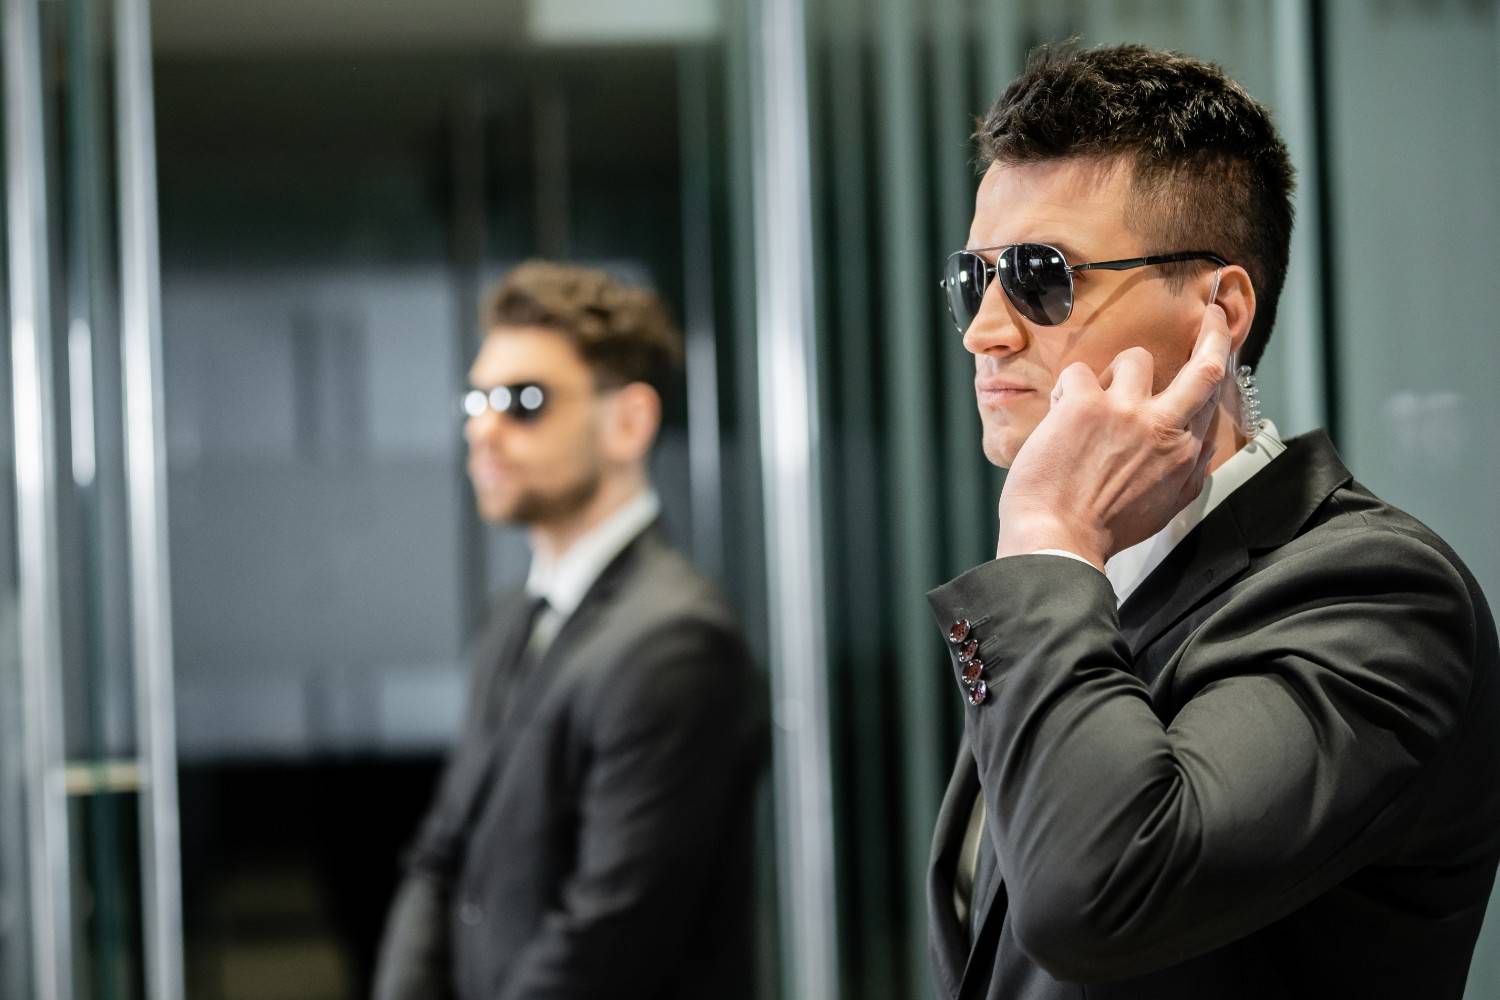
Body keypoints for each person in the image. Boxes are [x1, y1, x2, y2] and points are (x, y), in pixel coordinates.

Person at [926, 44, 1500, 1000]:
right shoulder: (1088, 582)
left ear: (1219, 311)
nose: (985, 329)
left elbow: (1096, 899)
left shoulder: (1380, 595)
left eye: (1039, 275)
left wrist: (1049, 531)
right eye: (971, 278)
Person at [373, 261, 766, 1000]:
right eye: (477, 400)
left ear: (629, 422)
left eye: (523, 401)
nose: (483, 429)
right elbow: (440, 854)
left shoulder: (676, 642)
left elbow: (610, 935)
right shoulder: (513, 621)